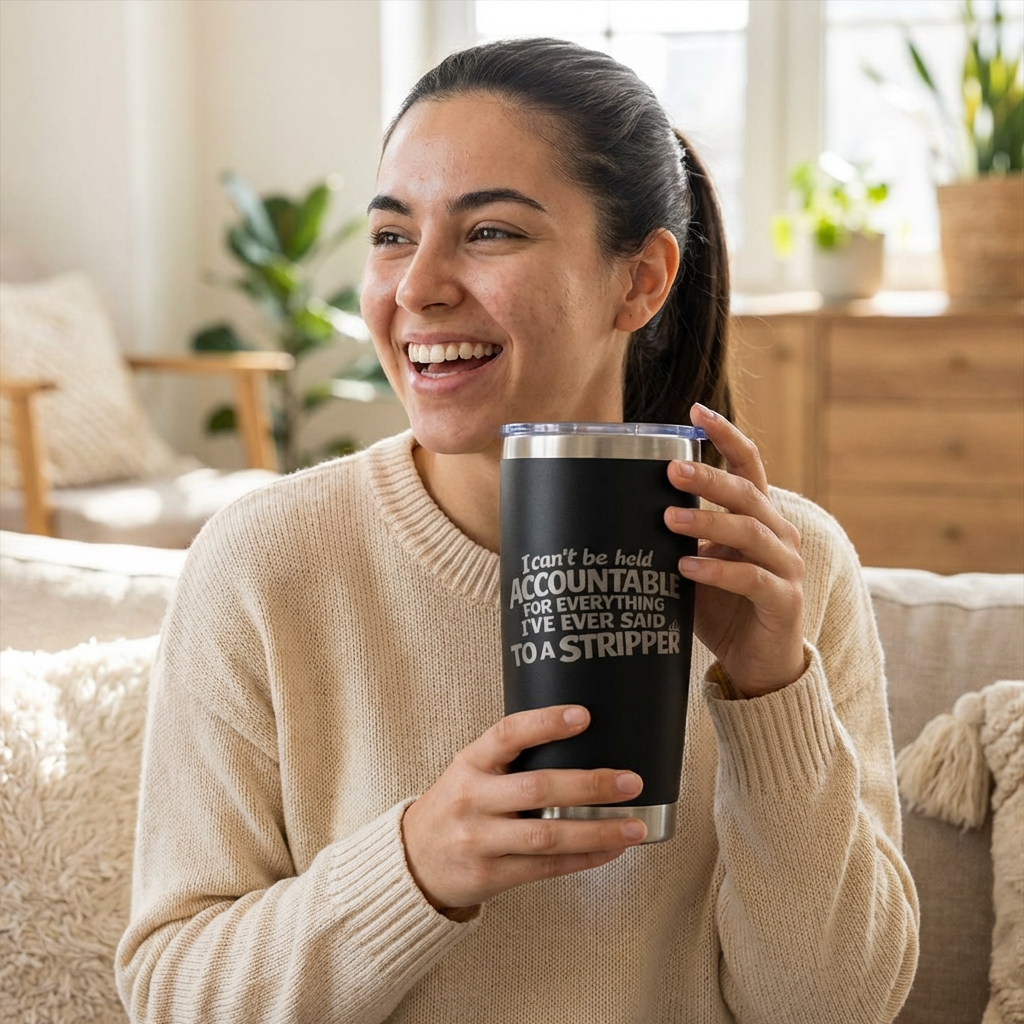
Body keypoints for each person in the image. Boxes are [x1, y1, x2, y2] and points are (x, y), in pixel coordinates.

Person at [116, 38, 918, 1024]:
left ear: (641, 279)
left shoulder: (783, 569)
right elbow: (173, 994)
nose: (417, 287)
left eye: (489, 232)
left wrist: (769, 691)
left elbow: (833, 1009)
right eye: (391, 235)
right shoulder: (263, 561)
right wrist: (417, 865)